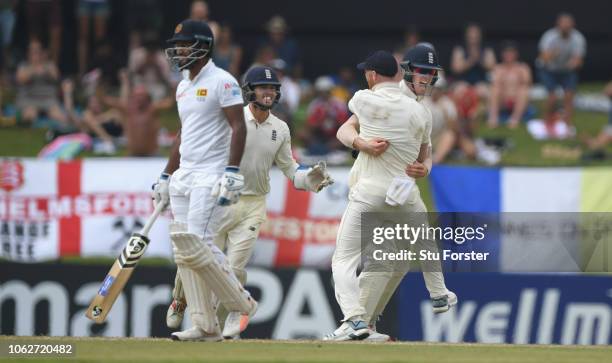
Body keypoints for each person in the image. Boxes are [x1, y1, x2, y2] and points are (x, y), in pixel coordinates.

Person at [165, 66, 334, 337]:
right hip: (221, 200)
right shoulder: (231, 119)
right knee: (199, 258)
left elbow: (290, 169)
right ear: (249, 91)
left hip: (253, 206)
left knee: (232, 268)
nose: (269, 93)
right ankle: (180, 298)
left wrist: (309, 179)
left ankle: (215, 326)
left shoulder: (280, 128)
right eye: (263, 87)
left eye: (273, 88)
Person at [330, 46, 457, 342]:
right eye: (422, 72)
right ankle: (357, 322)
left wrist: (424, 168)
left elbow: (426, 156)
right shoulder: (386, 98)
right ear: (405, 72)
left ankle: (363, 324)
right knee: (387, 256)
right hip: (379, 186)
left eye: (430, 74)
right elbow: (344, 131)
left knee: (393, 261)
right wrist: (361, 143)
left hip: (395, 191)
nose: (426, 79)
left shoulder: (419, 109)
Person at [152, 19, 256, 342]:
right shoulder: (183, 85)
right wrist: (167, 175)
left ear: (203, 47)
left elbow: (239, 127)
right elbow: (183, 134)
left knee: (199, 243)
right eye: (177, 45)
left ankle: (242, 303)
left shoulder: (223, 82)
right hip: (185, 175)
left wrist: (231, 172)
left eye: (185, 44)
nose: (179, 50)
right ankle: (204, 324)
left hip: (211, 174)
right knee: (183, 250)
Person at [103, 69, 172, 156]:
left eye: (142, 96)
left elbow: (171, 103)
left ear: (147, 98)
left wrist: (172, 85)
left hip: (152, 156)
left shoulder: (153, 109)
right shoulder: (127, 109)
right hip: (132, 156)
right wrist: (101, 84)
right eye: (137, 96)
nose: (139, 98)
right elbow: (104, 101)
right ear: (133, 97)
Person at [537, 13, 586, 125]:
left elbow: (579, 59)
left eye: (568, 24)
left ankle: (567, 123)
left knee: (569, 96)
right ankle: (546, 121)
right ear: (558, 25)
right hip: (549, 70)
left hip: (567, 71)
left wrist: (574, 63)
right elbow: (542, 58)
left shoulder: (578, 38)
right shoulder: (549, 36)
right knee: (552, 97)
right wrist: (553, 54)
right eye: (563, 24)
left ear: (572, 25)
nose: (565, 26)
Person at [15, 39, 67, 126]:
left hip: (48, 99)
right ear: (28, 53)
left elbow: (56, 77)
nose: (35, 54)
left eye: (37, 51)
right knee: (29, 117)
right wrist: (33, 70)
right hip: (29, 100)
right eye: (33, 51)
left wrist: (45, 69)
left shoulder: (50, 65)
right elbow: (20, 79)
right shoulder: (23, 66)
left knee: (60, 117)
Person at [487, 41, 533, 128]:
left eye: (511, 52)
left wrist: (519, 76)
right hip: (503, 101)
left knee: (524, 90)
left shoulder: (522, 67)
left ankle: (514, 119)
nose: (509, 55)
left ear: (516, 54)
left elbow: (528, 83)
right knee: (495, 89)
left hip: (517, 100)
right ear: (503, 54)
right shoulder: (498, 68)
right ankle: (493, 118)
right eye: (507, 53)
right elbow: (494, 83)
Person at [301, 76, 349, 155]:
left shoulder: (339, 104)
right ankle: (317, 148)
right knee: (303, 134)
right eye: (322, 91)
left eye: (326, 91)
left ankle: (328, 149)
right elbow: (309, 126)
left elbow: (345, 125)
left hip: (335, 136)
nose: (324, 94)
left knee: (347, 137)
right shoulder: (314, 105)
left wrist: (334, 117)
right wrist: (321, 118)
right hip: (319, 136)